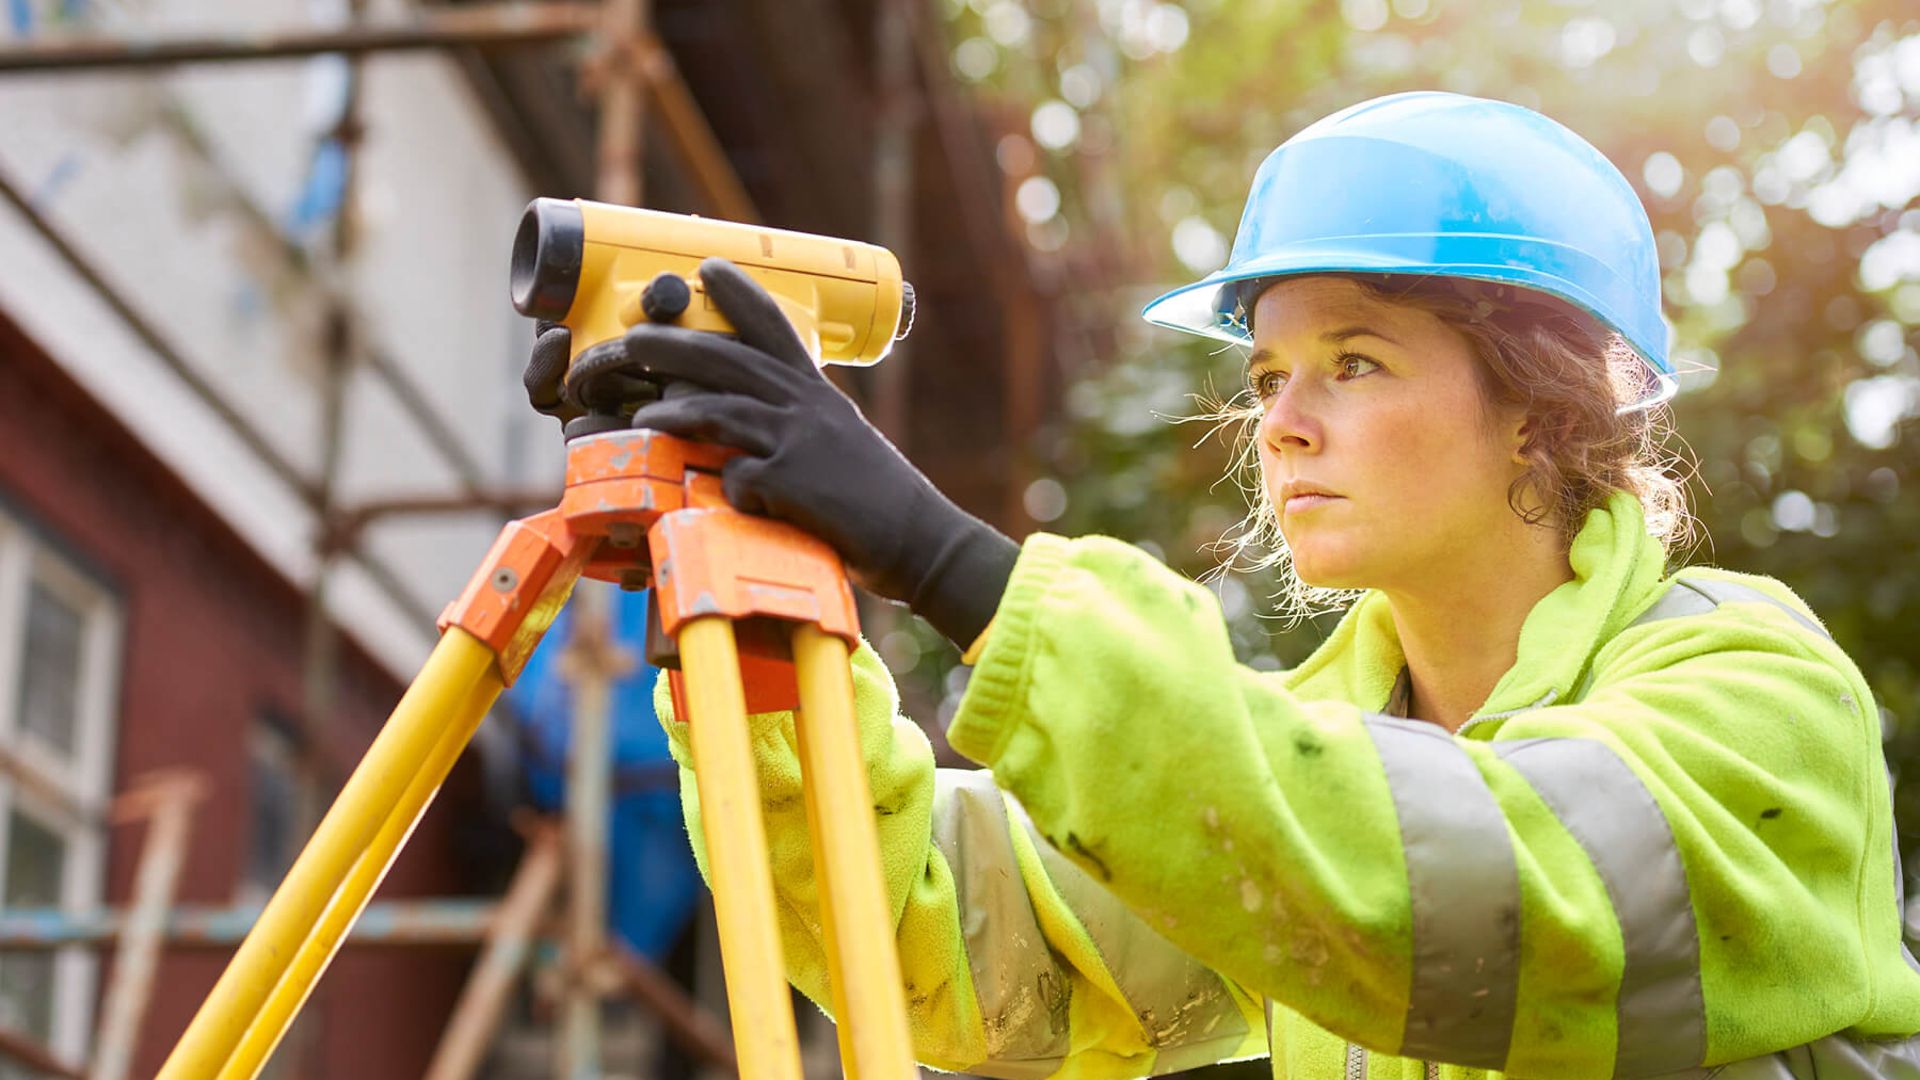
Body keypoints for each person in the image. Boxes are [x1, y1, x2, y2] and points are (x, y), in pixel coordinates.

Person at [524, 92, 1920, 1078]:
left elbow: (1475, 891)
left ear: (1544, 406)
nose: (1284, 423)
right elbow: (932, 939)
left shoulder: (1755, 691)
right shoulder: (1273, 773)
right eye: (1267, 376)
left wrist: (953, 565)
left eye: (1356, 362)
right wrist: (747, 582)